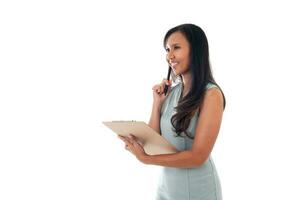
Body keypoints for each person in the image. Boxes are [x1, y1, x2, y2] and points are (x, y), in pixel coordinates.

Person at [118, 23, 226, 200]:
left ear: (196, 50)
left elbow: (198, 156)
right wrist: (157, 103)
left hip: (199, 191)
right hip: (167, 189)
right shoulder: (172, 92)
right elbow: (152, 142)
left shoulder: (211, 94)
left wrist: (146, 159)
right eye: (167, 49)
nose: (169, 56)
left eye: (176, 48)